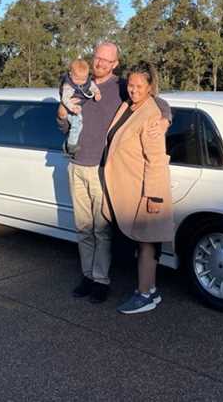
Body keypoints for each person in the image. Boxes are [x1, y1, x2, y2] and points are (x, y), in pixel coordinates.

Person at [57, 42, 170, 304]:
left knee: (101, 230)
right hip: (76, 164)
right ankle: (87, 276)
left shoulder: (122, 86)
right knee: (83, 228)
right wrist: (61, 114)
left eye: (107, 60)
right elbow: (63, 124)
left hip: (101, 170)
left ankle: (101, 280)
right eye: (97, 57)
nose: (100, 63)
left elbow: (154, 100)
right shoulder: (75, 82)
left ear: (115, 64)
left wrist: (165, 118)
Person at [101, 63, 173, 314]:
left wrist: (154, 196)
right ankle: (149, 290)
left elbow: (156, 158)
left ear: (150, 87)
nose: (132, 90)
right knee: (145, 242)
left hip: (144, 189)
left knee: (146, 242)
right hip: (129, 186)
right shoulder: (130, 106)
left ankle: (144, 295)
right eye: (130, 85)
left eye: (139, 86)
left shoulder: (152, 116)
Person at [59, 58, 101, 155]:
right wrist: (72, 107)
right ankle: (71, 145)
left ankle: (70, 143)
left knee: (78, 123)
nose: (80, 82)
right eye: (77, 79)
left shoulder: (86, 82)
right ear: (70, 74)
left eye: (83, 79)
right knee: (77, 124)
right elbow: (65, 99)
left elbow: (92, 86)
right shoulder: (68, 86)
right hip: (70, 108)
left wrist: (97, 93)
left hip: (77, 107)